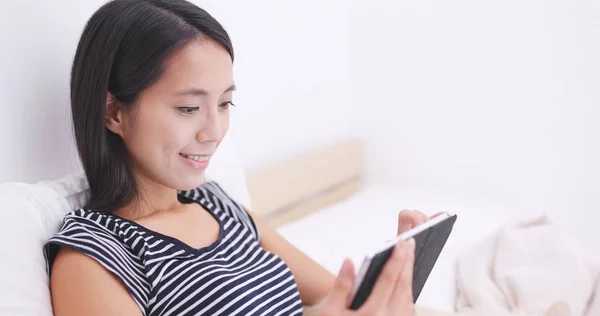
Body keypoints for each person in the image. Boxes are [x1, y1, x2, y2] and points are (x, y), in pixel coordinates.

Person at [45, 0, 438, 315]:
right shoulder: (93, 256)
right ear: (113, 112)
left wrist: (391, 273)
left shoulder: (219, 205)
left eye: (225, 103)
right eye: (188, 108)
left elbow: (338, 294)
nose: (214, 131)